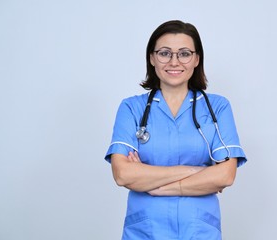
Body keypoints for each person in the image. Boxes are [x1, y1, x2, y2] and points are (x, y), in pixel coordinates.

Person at [104, 20, 247, 240]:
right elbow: (123, 174)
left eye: (184, 53)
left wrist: (156, 184)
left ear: (196, 59)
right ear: (152, 58)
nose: (174, 61)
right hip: (145, 232)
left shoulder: (217, 107)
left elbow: (226, 175)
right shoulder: (132, 108)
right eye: (164, 53)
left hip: (199, 231)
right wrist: (198, 172)